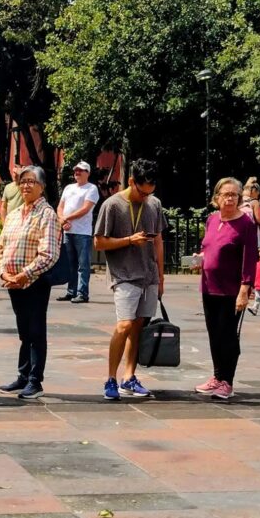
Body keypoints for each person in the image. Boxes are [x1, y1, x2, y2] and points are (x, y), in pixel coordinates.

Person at [93, 158, 165, 401]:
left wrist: (161, 277)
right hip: (124, 274)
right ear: (132, 181)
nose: (145, 197)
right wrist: (128, 241)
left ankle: (129, 377)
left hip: (149, 275)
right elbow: (99, 242)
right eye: (142, 192)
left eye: (149, 193)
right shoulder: (112, 205)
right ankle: (111, 378)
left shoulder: (154, 204)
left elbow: (158, 241)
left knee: (138, 327)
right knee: (124, 325)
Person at [0, 165, 60, 399]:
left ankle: (35, 380)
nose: (26, 185)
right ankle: (23, 375)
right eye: (22, 181)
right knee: (24, 331)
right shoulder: (14, 214)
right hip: (13, 282)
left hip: (35, 282)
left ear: (41, 186)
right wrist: (4, 273)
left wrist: (25, 275)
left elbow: (49, 253)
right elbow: (0, 248)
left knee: (35, 330)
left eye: (31, 181)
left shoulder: (47, 214)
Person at [192, 177, 256, 400]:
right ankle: (217, 376)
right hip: (209, 287)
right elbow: (207, 247)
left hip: (231, 289)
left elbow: (250, 259)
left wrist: (245, 289)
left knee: (228, 335)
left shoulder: (246, 224)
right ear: (216, 197)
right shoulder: (211, 219)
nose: (230, 199)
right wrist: (199, 258)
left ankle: (227, 381)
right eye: (226, 194)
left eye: (234, 195)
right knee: (214, 334)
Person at [55, 161, 99, 304]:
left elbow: (85, 209)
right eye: (76, 170)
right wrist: (62, 220)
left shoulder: (91, 189)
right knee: (70, 264)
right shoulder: (68, 188)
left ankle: (82, 293)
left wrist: (66, 218)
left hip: (82, 232)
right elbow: (60, 206)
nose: (77, 173)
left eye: (81, 170)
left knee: (83, 265)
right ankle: (71, 291)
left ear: (88, 173)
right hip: (68, 231)